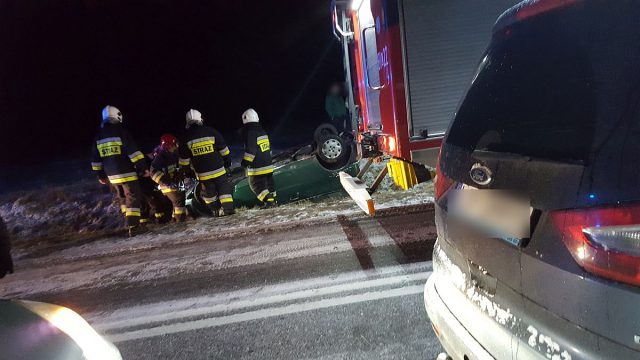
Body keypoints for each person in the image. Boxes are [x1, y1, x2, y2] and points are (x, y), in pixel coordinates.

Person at [90, 105, 149, 236]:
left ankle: (127, 222)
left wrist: (100, 175)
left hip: (111, 176)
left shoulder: (98, 137)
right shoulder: (122, 132)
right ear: (117, 116)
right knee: (133, 197)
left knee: (122, 198)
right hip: (127, 173)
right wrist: (142, 168)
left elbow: (95, 160)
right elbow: (134, 153)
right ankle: (133, 226)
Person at [179, 109, 235, 216]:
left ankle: (215, 211)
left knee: (209, 194)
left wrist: (188, 174)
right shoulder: (211, 131)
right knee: (224, 189)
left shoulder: (185, 139)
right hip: (219, 170)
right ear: (200, 119)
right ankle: (228, 210)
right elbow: (224, 150)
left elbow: (184, 162)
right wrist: (227, 163)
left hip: (203, 174)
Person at [241, 109, 276, 208]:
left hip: (258, 167)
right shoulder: (262, 130)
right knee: (269, 184)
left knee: (256, 185)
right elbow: (268, 148)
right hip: (268, 165)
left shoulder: (250, 132)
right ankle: (272, 201)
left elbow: (251, 150)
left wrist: (245, 163)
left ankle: (270, 202)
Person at [151, 134, 187, 222]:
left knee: (180, 198)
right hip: (166, 184)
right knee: (178, 200)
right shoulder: (160, 157)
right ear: (169, 146)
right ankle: (180, 221)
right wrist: (167, 183)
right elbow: (153, 172)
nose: (176, 146)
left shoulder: (173, 153)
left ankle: (175, 219)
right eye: (175, 145)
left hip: (173, 182)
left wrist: (180, 174)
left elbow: (177, 166)